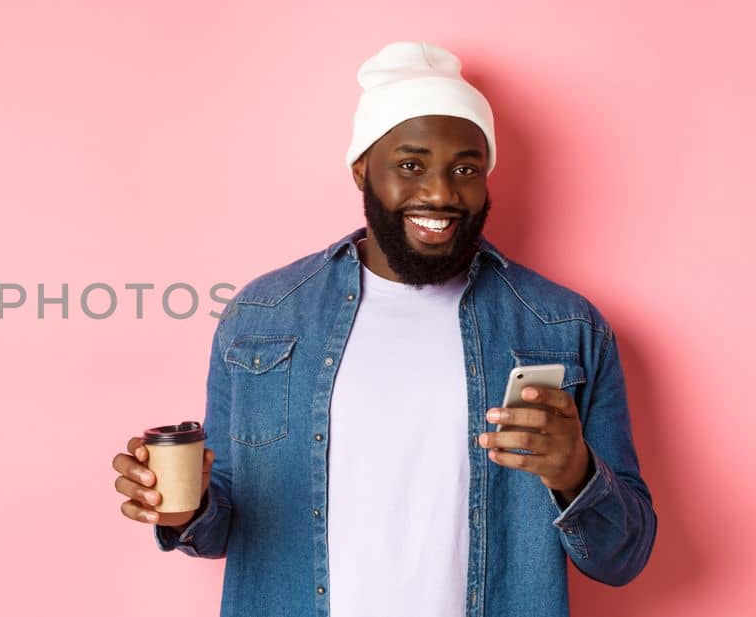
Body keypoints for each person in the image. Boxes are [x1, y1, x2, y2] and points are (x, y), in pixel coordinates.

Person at [109, 42, 656, 617]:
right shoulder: (264, 316)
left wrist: (577, 475)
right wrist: (183, 509)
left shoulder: (564, 327)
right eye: (411, 165)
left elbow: (625, 558)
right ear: (362, 169)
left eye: (465, 168)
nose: (441, 193)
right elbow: (225, 523)